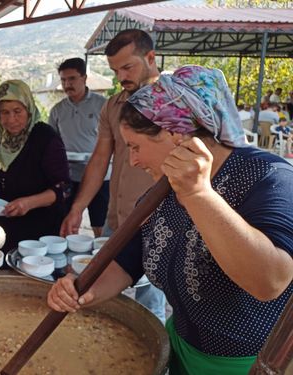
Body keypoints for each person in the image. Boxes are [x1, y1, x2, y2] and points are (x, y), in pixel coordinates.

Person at [48, 65, 293, 375]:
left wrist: (199, 195)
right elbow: (125, 261)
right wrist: (81, 291)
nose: (133, 161)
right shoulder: (158, 195)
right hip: (179, 348)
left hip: (248, 365)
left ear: (177, 134)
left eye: (135, 147)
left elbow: (270, 281)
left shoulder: (268, 178)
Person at [58, 29, 166, 322]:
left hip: (155, 221)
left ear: (151, 58)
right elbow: (99, 159)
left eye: (127, 67)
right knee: (97, 290)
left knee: (150, 301)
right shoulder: (114, 105)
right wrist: (78, 208)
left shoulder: (173, 103)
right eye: (115, 70)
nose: (121, 77)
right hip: (115, 219)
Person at [0, 79, 71, 252]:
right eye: (4, 112)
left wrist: (29, 203)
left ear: (28, 108)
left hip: (41, 231)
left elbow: (64, 188)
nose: (11, 119)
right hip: (2, 228)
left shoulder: (45, 137)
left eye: (17, 111)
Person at [49, 57, 109, 237]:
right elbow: (52, 145)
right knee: (68, 223)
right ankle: (68, 263)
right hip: (69, 176)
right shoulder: (57, 110)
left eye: (72, 79)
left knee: (100, 226)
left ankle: (101, 262)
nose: (67, 84)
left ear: (84, 78)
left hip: (101, 176)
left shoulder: (103, 105)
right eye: (63, 80)